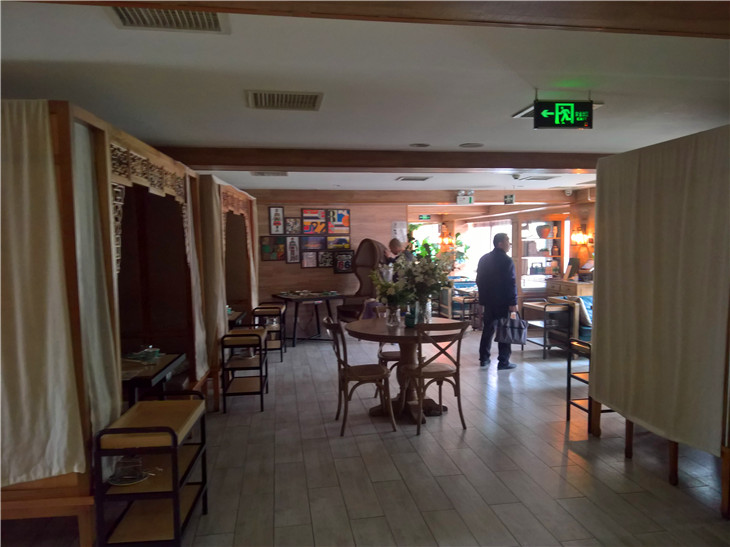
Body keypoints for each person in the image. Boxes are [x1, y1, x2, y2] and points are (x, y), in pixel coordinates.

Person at [476, 233, 518, 370]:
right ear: (500, 243)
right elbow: (511, 283)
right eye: (507, 241)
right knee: (504, 330)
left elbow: (479, 280)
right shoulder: (507, 261)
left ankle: (484, 358)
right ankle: (503, 361)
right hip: (503, 301)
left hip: (489, 301)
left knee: (488, 329)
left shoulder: (484, 259)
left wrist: (483, 298)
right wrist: (513, 302)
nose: (509, 244)